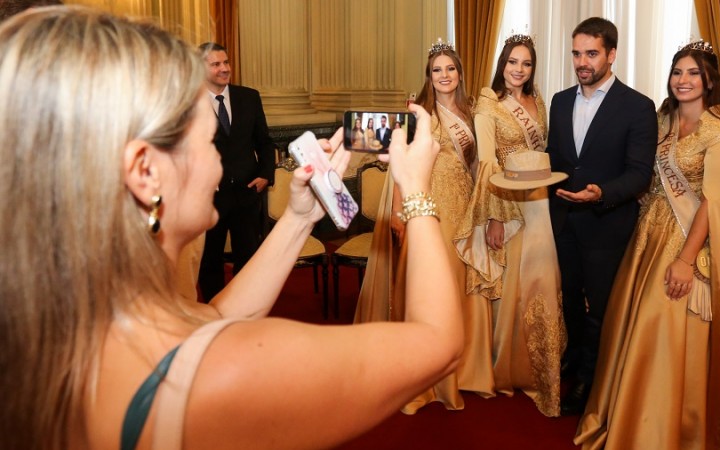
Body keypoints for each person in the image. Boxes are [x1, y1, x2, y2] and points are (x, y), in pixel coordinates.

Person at [0, 7, 463, 450]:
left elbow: (214, 320)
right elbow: (437, 343)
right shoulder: (224, 374)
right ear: (145, 172)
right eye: (206, 141)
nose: (219, 163)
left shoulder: (83, 327)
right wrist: (416, 189)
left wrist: (300, 218)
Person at [575, 41, 720, 450]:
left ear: (709, 81)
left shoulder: (719, 133)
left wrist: (685, 261)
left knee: (662, 327)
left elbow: (714, 204)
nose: (683, 81)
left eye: (693, 73)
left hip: (689, 240)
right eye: (677, 72)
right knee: (630, 323)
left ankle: (666, 428)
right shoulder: (665, 120)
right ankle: (630, 414)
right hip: (650, 231)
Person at [354, 41, 494, 413]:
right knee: (433, 284)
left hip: (464, 207)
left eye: (450, 69)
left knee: (463, 284)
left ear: (460, 74)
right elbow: (399, 170)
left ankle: (464, 369)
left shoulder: (473, 111)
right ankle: (426, 377)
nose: (444, 75)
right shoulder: (420, 115)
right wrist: (400, 213)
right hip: (428, 208)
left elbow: (482, 164)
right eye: (437, 70)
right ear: (428, 77)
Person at [546, 17, 657, 415]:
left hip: (606, 225)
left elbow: (640, 174)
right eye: (576, 53)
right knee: (571, 299)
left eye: (591, 53)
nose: (582, 62)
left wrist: (601, 194)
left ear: (611, 55)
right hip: (563, 222)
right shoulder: (559, 101)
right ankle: (574, 356)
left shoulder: (638, 107)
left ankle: (591, 377)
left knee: (600, 306)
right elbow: (556, 163)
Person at [452, 32, 565, 417]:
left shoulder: (540, 102)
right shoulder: (489, 105)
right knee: (514, 283)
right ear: (502, 64)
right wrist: (494, 217)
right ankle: (507, 367)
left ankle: (541, 367)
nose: (519, 69)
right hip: (509, 204)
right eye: (512, 62)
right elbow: (486, 163)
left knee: (542, 279)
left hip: (541, 202)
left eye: (527, 63)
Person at [197, 42, 277, 302]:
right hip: (210, 198)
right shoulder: (190, 103)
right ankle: (213, 310)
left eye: (226, 62)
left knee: (248, 256)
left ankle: (245, 305)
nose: (224, 69)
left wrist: (266, 174)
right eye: (216, 64)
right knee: (210, 259)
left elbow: (264, 141)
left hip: (247, 192)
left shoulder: (249, 97)